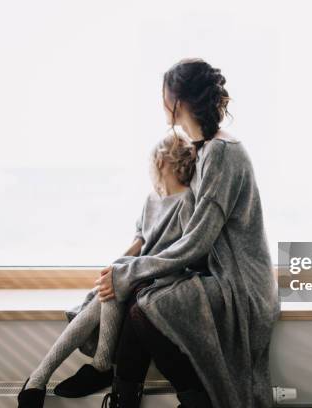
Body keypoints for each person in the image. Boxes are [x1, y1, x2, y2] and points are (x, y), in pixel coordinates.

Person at [96, 58, 280, 408]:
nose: (160, 101)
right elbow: (180, 225)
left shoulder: (224, 154)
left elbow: (196, 242)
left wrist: (132, 269)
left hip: (240, 285)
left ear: (177, 100)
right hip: (216, 275)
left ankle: (195, 402)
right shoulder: (202, 149)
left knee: (146, 306)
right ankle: (124, 398)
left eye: (163, 93)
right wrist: (133, 256)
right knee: (140, 297)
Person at [17, 133, 198, 408]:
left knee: (114, 280)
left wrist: (123, 273)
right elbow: (139, 241)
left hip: (166, 278)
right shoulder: (152, 199)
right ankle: (43, 378)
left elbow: (183, 255)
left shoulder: (189, 202)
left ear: (162, 162)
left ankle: (55, 375)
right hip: (138, 273)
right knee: (108, 282)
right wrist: (114, 267)